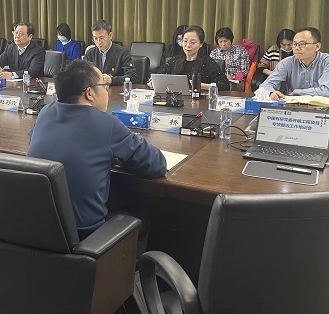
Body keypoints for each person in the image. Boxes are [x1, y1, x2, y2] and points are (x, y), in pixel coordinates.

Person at [27, 59, 166, 240]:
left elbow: (34, 140)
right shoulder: (106, 124)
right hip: (84, 236)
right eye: (104, 86)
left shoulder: (46, 112)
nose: (106, 91)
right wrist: (117, 157)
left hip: (39, 230)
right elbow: (156, 165)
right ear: (89, 93)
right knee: (141, 215)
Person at [260, 27, 329, 100]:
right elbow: (265, 86)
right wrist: (271, 93)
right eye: (294, 44)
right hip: (294, 105)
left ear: (317, 46)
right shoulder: (287, 63)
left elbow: (327, 92)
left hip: (323, 106)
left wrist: (297, 92)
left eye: (302, 44)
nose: (296, 48)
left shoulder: (328, 61)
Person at [151, 25, 230, 91]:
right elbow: (158, 75)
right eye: (185, 41)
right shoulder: (174, 61)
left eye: (192, 42)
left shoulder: (208, 63)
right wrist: (152, 82)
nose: (188, 45)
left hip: (199, 102)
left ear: (201, 44)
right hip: (176, 100)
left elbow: (225, 85)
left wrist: (203, 86)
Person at [83, 19, 137, 85]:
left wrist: (112, 80)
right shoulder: (90, 53)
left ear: (110, 35)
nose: (98, 42)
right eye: (95, 38)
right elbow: (83, 74)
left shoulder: (123, 53)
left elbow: (132, 77)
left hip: (116, 90)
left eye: (101, 38)